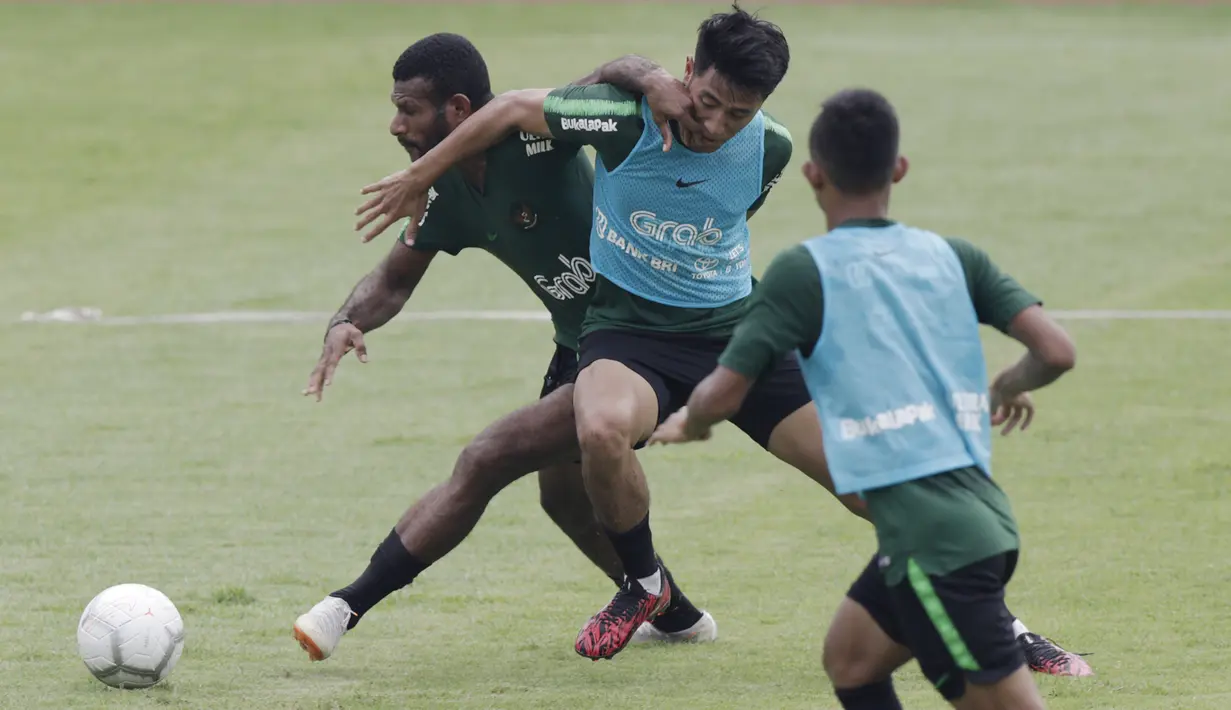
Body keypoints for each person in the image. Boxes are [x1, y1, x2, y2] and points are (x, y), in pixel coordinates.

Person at [355, 8, 1091, 676]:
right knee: (601, 428)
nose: (715, 125)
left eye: (738, 113)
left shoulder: (768, 148)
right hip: (630, 338)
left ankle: (1005, 625)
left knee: (871, 488)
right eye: (706, 102)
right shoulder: (621, 119)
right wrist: (423, 175)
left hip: (739, 341)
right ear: (685, 72)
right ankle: (644, 586)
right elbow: (516, 108)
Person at [647, 88, 1082, 708]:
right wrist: (1008, 385)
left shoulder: (806, 270)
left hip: (935, 545)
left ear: (812, 175)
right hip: (977, 518)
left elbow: (726, 386)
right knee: (850, 659)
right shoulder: (952, 255)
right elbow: (1056, 350)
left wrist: (690, 420)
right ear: (898, 170)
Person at [291, 33, 718, 664]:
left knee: (487, 457)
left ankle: (345, 606)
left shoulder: (537, 136)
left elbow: (608, 72)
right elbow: (394, 278)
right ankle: (677, 615)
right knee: (562, 497)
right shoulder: (445, 191)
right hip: (580, 346)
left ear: (458, 109)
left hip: (641, 345)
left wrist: (652, 77)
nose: (395, 124)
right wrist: (345, 320)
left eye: (408, 109)